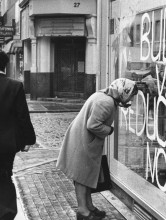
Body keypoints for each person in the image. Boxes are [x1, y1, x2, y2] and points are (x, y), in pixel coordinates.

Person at [56, 78, 138, 220]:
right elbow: (93, 125)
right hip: (83, 140)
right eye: (130, 94)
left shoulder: (104, 95)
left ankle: (89, 207)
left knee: (86, 175)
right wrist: (109, 129)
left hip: (83, 139)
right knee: (82, 176)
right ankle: (83, 211)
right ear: (123, 91)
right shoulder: (106, 102)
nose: (131, 98)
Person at [0, 51, 36, 220]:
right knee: (5, 176)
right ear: (5, 66)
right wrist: (28, 140)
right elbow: (22, 115)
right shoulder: (14, 86)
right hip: (6, 144)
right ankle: (6, 212)